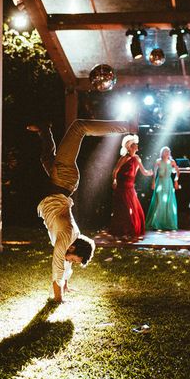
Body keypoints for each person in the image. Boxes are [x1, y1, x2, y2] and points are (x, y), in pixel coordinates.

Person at [29, 119, 134, 302]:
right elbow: (58, 265)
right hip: (64, 179)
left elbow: (66, 263)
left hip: (59, 181)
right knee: (79, 127)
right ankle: (127, 126)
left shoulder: (72, 239)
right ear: (73, 247)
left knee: (46, 158)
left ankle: (45, 128)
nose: (70, 261)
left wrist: (66, 285)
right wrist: (58, 297)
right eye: (74, 258)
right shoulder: (66, 236)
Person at [110, 134, 153, 239]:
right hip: (122, 187)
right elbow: (115, 171)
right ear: (130, 147)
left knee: (133, 210)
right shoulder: (124, 158)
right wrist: (115, 180)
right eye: (135, 145)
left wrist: (151, 173)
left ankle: (129, 231)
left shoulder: (137, 158)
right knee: (123, 210)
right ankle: (122, 232)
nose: (137, 146)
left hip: (130, 188)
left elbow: (144, 171)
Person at [146, 146, 180, 231]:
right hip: (160, 183)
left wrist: (176, 180)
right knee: (159, 202)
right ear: (162, 153)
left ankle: (167, 223)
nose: (167, 153)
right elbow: (154, 172)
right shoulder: (158, 161)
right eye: (165, 151)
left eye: (168, 151)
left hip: (168, 183)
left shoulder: (172, 162)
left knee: (168, 202)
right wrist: (153, 182)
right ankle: (156, 223)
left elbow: (177, 171)